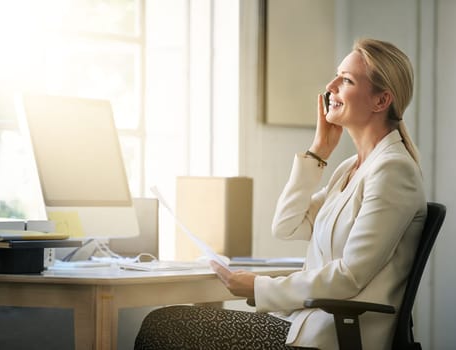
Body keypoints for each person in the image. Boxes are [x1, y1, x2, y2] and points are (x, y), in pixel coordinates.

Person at [135, 38, 426, 350]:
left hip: (334, 338)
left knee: (166, 327)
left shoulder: (393, 171)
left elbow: (349, 276)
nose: (330, 86)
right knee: (167, 323)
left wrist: (258, 286)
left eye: (347, 80)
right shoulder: (350, 169)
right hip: (304, 325)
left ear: (381, 101)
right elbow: (287, 225)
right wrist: (317, 154)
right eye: (336, 75)